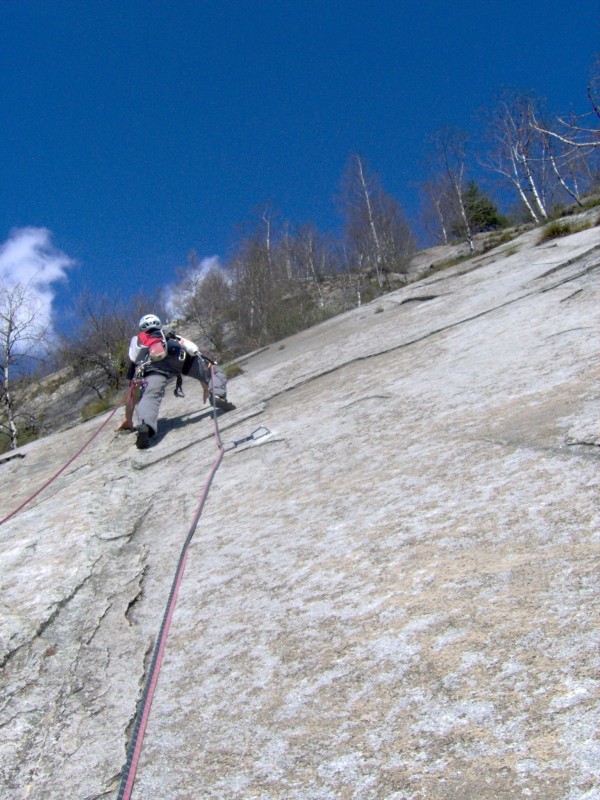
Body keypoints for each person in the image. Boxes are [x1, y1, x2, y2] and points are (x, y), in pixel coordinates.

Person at [120, 314, 235, 449]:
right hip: (180, 358)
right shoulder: (169, 335)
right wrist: (205, 385)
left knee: (150, 395)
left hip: (154, 367)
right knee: (214, 372)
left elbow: (132, 393)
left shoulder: (140, 345)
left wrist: (128, 419)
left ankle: (145, 425)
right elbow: (193, 352)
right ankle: (217, 394)